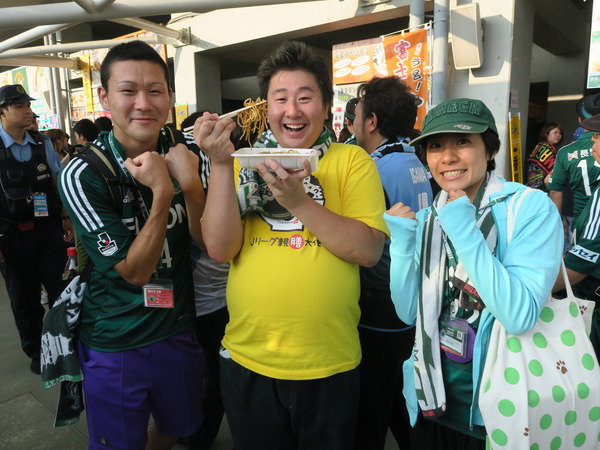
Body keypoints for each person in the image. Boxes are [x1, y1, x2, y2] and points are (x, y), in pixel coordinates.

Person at [193, 40, 388, 450]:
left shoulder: (352, 161)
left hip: (330, 363)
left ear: (326, 107)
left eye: (305, 97)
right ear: (267, 108)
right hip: (248, 359)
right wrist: (221, 163)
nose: (293, 110)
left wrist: (298, 202)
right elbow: (220, 249)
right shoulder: (245, 164)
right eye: (280, 98)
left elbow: (368, 251)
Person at [384, 98, 562, 448]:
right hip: (431, 401)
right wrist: (403, 244)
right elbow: (407, 312)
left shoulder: (529, 208)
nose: (448, 157)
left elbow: (519, 315)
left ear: (490, 150)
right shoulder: (430, 217)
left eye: (463, 141)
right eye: (436, 146)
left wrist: (464, 230)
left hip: (501, 412)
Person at [58, 40, 205, 450]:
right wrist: (163, 193)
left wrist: (193, 181)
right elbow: (135, 272)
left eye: (155, 90)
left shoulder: (186, 149)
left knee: (179, 427)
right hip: (117, 340)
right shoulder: (83, 173)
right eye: (128, 91)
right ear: (105, 97)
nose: (144, 103)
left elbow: (207, 240)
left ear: (169, 96)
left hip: (177, 326)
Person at [352, 75, 432, 450]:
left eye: (355, 114)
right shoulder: (414, 159)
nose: (352, 122)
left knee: (371, 411)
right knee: (401, 400)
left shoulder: (374, 168)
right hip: (411, 302)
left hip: (380, 306)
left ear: (371, 121)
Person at [0, 84, 69, 375]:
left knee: (60, 289)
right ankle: (37, 350)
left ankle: (65, 343)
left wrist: (66, 217)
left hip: (47, 229)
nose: (27, 111)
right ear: (2, 112)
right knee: (24, 297)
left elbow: (58, 180)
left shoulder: (42, 143)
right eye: (19, 106)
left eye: (28, 105)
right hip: (10, 236)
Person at [553, 111, 600, 359]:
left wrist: (536, 287)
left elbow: (583, 261)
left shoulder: (565, 153)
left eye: (597, 136)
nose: (592, 141)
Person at [548, 94, 600, 251]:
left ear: (580, 121)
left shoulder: (566, 152)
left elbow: (555, 191)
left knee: (579, 260)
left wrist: (558, 221)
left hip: (581, 223)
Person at [525, 122, 563, 191]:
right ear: (546, 134)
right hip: (539, 186)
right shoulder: (546, 148)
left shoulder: (540, 146)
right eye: (555, 132)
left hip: (532, 185)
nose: (558, 135)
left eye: (560, 133)